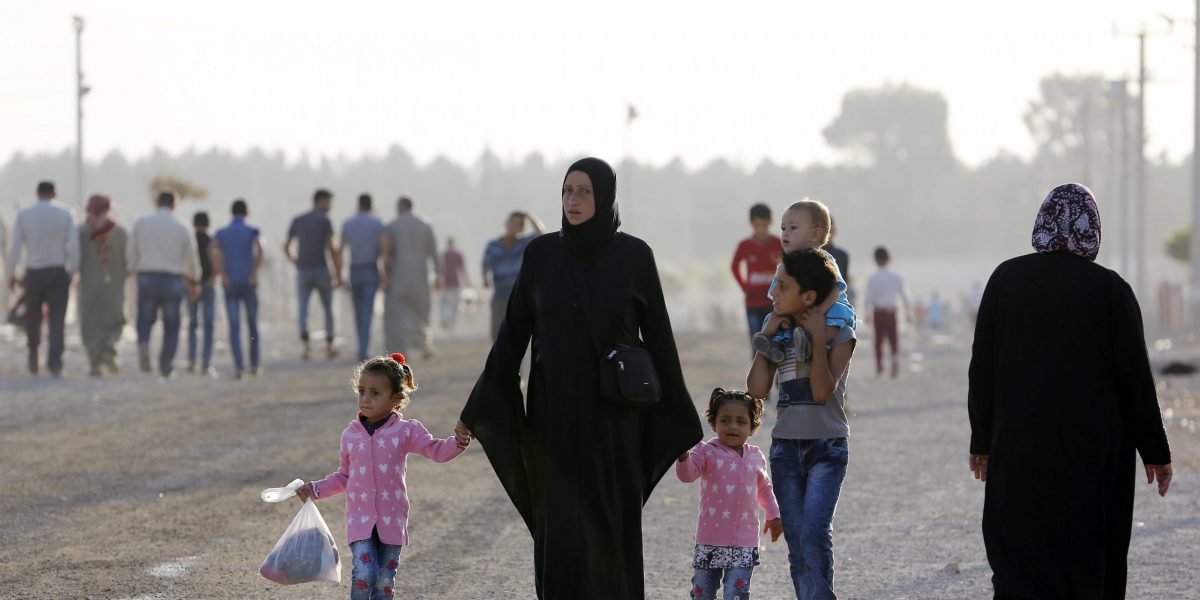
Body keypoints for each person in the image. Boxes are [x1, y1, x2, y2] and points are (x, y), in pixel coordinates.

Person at [457, 157, 703, 599]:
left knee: (610, 526)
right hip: (552, 419)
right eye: (567, 190)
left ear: (604, 196)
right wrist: (477, 410)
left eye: (585, 191)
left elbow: (661, 343)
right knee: (559, 532)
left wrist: (679, 420)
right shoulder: (541, 254)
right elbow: (512, 337)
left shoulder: (634, 256)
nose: (573, 200)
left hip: (615, 423)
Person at [968, 183, 1172, 600]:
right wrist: (1156, 452)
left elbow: (982, 369)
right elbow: (1135, 379)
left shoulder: (1006, 279)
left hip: (1020, 445)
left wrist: (982, 442)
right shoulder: (1111, 290)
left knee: (1019, 552)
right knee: (1091, 554)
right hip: (1094, 453)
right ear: (1092, 228)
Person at [294, 353, 471, 599]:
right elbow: (345, 476)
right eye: (362, 391)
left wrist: (459, 442)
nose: (366, 399)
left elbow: (437, 451)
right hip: (360, 519)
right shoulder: (351, 435)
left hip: (392, 520)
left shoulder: (406, 431)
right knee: (364, 573)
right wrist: (315, 488)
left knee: (385, 582)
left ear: (397, 399)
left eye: (375, 393)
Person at [747, 248, 856, 600]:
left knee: (814, 532)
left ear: (807, 296)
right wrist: (765, 337)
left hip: (827, 446)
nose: (772, 292)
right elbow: (757, 390)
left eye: (782, 285)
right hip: (785, 449)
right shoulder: (778, 332)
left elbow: (823, 390)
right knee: (796, 538)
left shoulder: (841, 331)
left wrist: (819, 339)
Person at [676, 388, 783, 600]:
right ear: (714, 422)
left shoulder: (756, 457)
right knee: (702, 593)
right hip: (709, 541)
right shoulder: (705, 451)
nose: (733, 426)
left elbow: (764, 488)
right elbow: (687, 475)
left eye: (741, 421)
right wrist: (682, 456)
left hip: (745, 544)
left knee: (737, 594)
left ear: (753, 426)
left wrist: (774, 515)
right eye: (725, 420)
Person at [752, 200, 855, 364]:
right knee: (774, 319)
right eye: (783, 228)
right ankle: (774, 348)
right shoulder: (786, 265)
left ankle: (812, 345)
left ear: (815, 234)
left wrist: (819, 311)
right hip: (797, 310)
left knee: (836, 317)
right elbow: (776, 293)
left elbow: (836, 290)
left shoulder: (825, 260)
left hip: (825, 309)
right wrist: (780, 314)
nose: (785, 233)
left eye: (793, 228)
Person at [6, 181, 79, 376]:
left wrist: (11, 274)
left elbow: (15, 248)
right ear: (55, 193)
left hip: (33, 272)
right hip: (57, 271)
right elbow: (73, 246)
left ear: (37, 193)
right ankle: (55, 363)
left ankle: (33, 358)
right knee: (57, 320)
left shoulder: (25, 214)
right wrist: (73, 271)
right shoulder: (65, 213)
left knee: (33, 319)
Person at [128, 190, 200, 378]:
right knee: (172, 324)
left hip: (147, 276)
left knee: (144, 318)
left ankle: (143, 342)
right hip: (173, 279)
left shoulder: (141, 223)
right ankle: (166, 365)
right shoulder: (182, 226)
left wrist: (132, 269)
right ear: (174, 205)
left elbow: (131, 251)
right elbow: (191, 256)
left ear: (156, 202)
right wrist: (194, 278)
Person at [284, 188, 342, 360]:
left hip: (303, 270)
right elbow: (331, 248)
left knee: (303, 308)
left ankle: (306, 345)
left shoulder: (299, 220)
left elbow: (286, 246)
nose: (330, 205)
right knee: (328, 309)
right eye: (328, 202)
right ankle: (330, 344)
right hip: (321, 269)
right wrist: (337, 274)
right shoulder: (324, 220)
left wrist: (296, 261)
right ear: (319, 201)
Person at [211, 199, 263, 379]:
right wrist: (254, 272)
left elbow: (213, 250)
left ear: (231, 213)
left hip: (230, 282)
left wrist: (221, 273)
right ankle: (255, 364)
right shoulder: (251, 231)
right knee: (252, 325)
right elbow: (260, 248)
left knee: (234, 326)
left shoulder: (222, 233)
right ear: (246, 212)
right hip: (249, 281)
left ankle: (239, 367)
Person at [382, 197, 440, 358]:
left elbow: (386, 254)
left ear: (400, 208)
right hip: (421, 277)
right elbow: (435, 253)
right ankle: (425, 345)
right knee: (422, 313)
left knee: (397, 314)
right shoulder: (425, 225)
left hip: (398, 277)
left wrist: (384, 276)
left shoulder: (391, 225)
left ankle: (400, 350)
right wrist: (438, 275)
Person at [77, 194, 127, 377]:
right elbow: (128, 259)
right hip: (114, 284)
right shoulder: (120, 232)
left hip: (89, 284)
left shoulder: (82, 232)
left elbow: (74, 259)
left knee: (90, 323)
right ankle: (109, 349)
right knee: (114, 320)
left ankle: (95, 364)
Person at [482, 211, 545, 340]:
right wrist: (485, 277)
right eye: (511, 221)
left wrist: (529, 216)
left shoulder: (523, 244)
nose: (513, 225)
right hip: (500, 294)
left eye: (517, 223)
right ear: (505, 223)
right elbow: (485, 264)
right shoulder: (493, 245)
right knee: (497, 332)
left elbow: (541, 234)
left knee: (518, 332)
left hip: (519, 295)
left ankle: (518, 359)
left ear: (521, 228)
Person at [340, 193, 387, 361]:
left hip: (354, 271)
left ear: (358, 204)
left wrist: (339, 274)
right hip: (370, 269)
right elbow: (383, 251)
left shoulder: (348, 223)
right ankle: (363, 349)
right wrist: (384, 274)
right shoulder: (377, 223)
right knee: (367, 310)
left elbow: (341, 250)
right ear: (371, 205)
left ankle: (361, 346)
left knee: (358, 311)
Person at [730, 203, 782, 347]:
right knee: (757, 345)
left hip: (774, 303)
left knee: (776, 344)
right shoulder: (745, 245)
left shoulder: (779, 244)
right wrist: (745, 287)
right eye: (757, 225)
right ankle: (758, 369)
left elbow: (789, 266)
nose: (761, 229)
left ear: (770, 222)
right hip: (753, 303)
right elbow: (734, 267)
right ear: (751, 223)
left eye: (764, 224)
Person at [863, 246, 911, 378]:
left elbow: (869, 297)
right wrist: (908, 313)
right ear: (889, 258)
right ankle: (895, 356)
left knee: (878, 341)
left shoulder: (873, 277)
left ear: (876, 260)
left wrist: (867, 314)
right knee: (893, 339)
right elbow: (906, 295)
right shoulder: (896, 276)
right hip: (892, 311)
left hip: (878, 312)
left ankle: (880, 367)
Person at [186, 211, 216, 376]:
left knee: (192, 324)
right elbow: (217, 261)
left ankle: (192, 361)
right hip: (209, 285)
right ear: (208, 224)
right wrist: (213, 277)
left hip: (192, 285)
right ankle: (206, 363)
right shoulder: (212, 241)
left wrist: (189, 282)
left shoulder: (190, 241)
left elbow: (186, 263)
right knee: (208, 325)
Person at [439, 237, 469, 331]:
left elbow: (438, 269)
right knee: (455, 305)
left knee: (444, 303)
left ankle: (444, 318)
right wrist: (467, 281)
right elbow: (462, 269)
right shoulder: (458, 254)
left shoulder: (443, 254)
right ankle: (452, 325)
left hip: (444, 282)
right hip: (456, 282)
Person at [824, 217, 852, 305]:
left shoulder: (842, 255)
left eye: (829, 230)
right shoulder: (809, 255)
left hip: (837, 304)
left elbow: (845, 282)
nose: (827, 234)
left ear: (834, 231)